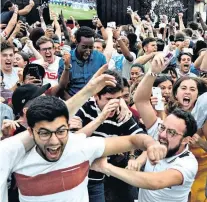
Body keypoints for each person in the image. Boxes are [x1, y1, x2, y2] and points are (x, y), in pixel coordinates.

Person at [0, 75, 167, 202]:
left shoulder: (80, 146)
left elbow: (132, 140)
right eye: (44, 133)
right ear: (30, 132)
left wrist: (151, 143)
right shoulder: (13, 155)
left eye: (61, 131)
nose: (54, 141)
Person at [92, 53, 198, 202]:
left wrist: (106, 168)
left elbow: (155, 182)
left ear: (186, 140)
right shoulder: (159, 133)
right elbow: (141, 100)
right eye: (163, 128)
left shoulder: (187, 163)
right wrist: (153, 72)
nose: (162, 135)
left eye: (172, 133)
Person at [75, 70, 144, 202]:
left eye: (118, 98)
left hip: (97, 178)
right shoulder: (84, 108)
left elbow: (142, 137)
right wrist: (101, 118)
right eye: (108, 99)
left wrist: (137, 160)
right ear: (96, 96)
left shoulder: (122, 113)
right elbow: (73, 142)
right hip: (76, 176)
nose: (113, 103)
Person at [58, 26, 107, 96]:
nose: (88, 51)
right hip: (72, 100)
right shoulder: (65, 60)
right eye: (84, 47)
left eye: (91, 47)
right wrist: (67, 68)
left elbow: (104, 82)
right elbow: (61, 89)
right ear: (76, 43)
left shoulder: (100, 58)